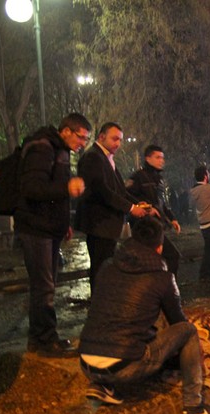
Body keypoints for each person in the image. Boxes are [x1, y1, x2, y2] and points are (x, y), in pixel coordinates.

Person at [78, 217, 210, 414]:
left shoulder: (107, 266)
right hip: (125, 366)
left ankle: (102, 386)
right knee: (188, 331)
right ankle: (193, 406)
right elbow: (177, 323)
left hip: (86, 362)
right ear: (160, 247)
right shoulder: (162, 278)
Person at [14, 113, 91, 357]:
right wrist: (66, 187)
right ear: (66, 130)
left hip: (49, 227)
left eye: (85, 140)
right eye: (81, 137)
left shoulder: (60, 150)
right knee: (44, 288)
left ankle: (40, 338)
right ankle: (45, 342)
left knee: (47, 286)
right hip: (36, 229)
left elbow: (53, 196)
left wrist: (63, 223)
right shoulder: (42, 147)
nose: (82, 143)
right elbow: (32, 188)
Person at [75, 122, 148, 291]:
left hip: (106, 224)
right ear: (101, 137)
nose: (118, 144)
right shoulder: (94, 157)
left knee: (105, 267)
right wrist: (131, 208)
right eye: (114, 139)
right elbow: (103, 191)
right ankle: (100, 307)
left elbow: (119, 190)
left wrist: (137, 204)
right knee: (101, 268)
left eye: (120, 140)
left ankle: (103, 304)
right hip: (100, 224)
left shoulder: (105, 157)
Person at [126, 145, 182, 276]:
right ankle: (165, 289)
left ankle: (157, 289)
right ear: (148, 158)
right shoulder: (137, 177)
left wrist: (172, 218)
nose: (161, 160)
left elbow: (161, 203)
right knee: (171, 256)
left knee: (158, 260)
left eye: (162, 158)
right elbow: (128, 198)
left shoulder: (159, 179)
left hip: (157, 225)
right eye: (157, 157)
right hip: (145, 227)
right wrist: (146, 209)